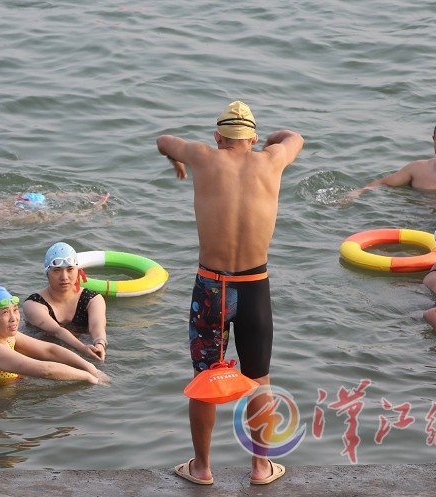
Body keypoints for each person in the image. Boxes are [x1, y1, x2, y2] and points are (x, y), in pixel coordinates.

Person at [156, 100, 304, 486]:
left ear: (217, 136)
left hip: (211, 288)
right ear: (252, 138)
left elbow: (163, 140)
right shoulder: (271, 160)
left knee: (205, 378)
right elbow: (295, 137)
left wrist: (179, 161)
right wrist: (270, 140)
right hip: (255, 288)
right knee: (260, 380)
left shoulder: (202, 156)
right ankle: (260, 468)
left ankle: (202, 468)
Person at [0, 285, 109, 385]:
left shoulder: (6, 336)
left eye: (15, 310)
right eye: (5, 312)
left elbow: (49, 350)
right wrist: (89, 378)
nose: (14, 318)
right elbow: (45, 370)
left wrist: (90, 368)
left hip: (9, 388)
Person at [22, 242, 108, 361]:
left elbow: (96, 326)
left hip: (83, 344)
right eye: (57, 270)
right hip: (48, 352)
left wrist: (99, 344)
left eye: (70, 269)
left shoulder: (92, 299)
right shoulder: (33, 304)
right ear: (47, 273)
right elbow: (57, 331)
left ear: (78, 271)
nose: (64, 277)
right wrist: (83, 349)